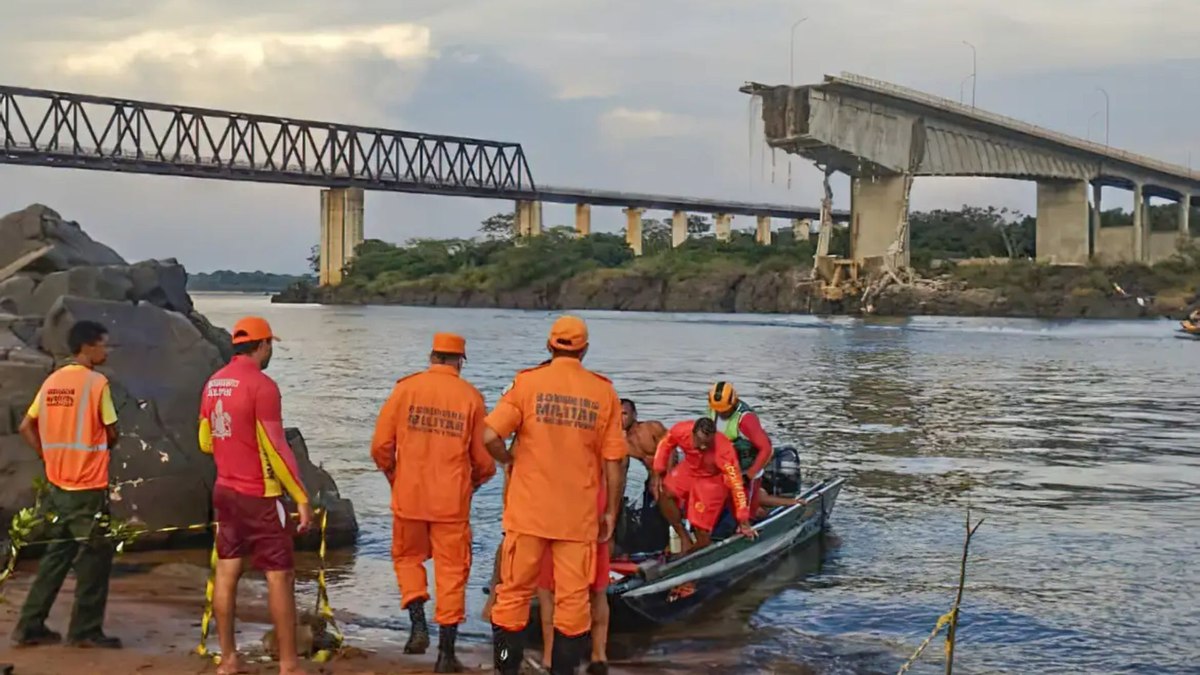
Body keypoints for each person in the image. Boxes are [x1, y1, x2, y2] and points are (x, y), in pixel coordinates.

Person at [483, 316, 627, 675]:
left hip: (527, 513)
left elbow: (488, 437)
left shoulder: (527, 383)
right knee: (573, 604)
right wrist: (610, 511)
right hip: (577, 519)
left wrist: (509, 460)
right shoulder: (603, 392)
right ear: (585, 350)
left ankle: (505, 669)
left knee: (512, 597)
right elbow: (615, 460)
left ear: (549, 346)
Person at [370, 332, 496, 673]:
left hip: (409, 497)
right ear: (460, 361)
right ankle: (445, 655)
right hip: (451, 503)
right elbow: (483, 461)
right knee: (452, 573)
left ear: (432, 356)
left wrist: (396, 478)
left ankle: (417, 625)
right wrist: (474, 483)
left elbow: (381, 446)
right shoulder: (471, 397)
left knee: (408, 559)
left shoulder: (405, 390)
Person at [198, 316, 314, 675]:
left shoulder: (213, 383)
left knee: (227, 572)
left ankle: (229, 658)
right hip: (260, 495)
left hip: (225, 490)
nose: (270, 351)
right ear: (263, 346)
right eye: (270, 346)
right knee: (280, 576)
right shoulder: (262, 386)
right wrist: (302, 497)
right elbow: (277, 448)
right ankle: (289, 664)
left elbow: (204, 440)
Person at [11, 320, 121, 649]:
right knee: (95, 555)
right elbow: (111, 430)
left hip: (58, 483)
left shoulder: (52, 382)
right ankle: (85, 630)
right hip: (86, 485)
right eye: (104, 344)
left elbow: (25, 426)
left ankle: (30, 624)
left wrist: (48, 455)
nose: (107, 350)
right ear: (87, 347)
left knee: (57, 554)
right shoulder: (96, 384)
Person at [534, 470, 611, 675]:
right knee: (597, 588)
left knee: (548, 590)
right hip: (591, 503)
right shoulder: (600, 439)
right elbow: (614, 466)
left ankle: (550, 657)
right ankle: (598, 655)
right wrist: (611, 510)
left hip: (553, 506)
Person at [652, 418, 756, 554]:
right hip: (690, 468)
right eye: (699, 442)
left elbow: (737, 485)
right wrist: (658, 471)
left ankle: (693, 553)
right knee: (664, 491)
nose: (702, 447)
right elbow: (666, 444)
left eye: (707, 444)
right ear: (693, 433)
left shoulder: (724, 450)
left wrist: (743, 520)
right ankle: (683, 536)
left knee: (701, 528)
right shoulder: (681, 430)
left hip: (712, 478)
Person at [706, 382, 773, 516]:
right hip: (725, 468)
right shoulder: (713, 410)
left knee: (746, 512)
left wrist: (749, 475)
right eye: (718, 410)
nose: (721, 413)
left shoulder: (746, 419)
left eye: (724, 410)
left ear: (733, 402)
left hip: (746, 469)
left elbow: (766, 449)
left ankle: (758, 513)